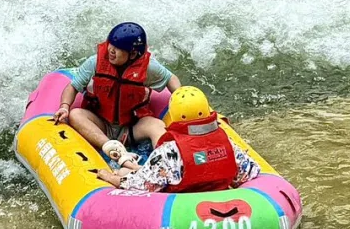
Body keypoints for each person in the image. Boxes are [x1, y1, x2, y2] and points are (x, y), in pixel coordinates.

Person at [95, 85, 261, 194]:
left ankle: (128, 168)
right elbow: (249, 172)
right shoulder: (227, 143)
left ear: (173, 116)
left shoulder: (169, 151)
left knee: (124, 173)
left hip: (181, 203)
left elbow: (144, 185)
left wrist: (113, 178)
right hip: (220, 194)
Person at [53, 22, 180, 162]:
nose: (111, 50)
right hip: (101, 124)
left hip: (131, 126)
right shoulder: (95, 62)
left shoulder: (148, 68)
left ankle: (164, 163)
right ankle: (113, 148)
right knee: (75, 114)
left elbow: (170, 78)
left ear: (132, 54)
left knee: (157, 125)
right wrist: (64, 106)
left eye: (118, 48)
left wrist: (180, 98)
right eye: (111, 44)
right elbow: (73, 87)